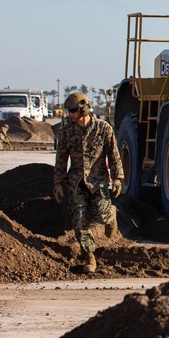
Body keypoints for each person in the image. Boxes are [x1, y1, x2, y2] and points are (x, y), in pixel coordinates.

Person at [53, 92, 124, 274]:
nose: (71, 115)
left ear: (84, 108)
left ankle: (110, 215)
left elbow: (113, 155)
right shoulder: (66, 133)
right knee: (79, 221)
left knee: (100, 214)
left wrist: (117, 178)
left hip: (98, 181)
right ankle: (89, 257)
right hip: (76, 182)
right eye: (69, 111)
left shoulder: (104, 129)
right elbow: (61, 159)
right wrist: (59, 183)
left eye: (74, 111)